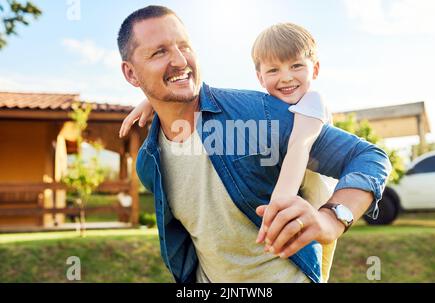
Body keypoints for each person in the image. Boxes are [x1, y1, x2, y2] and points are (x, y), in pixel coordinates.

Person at [117, 5, 392, 283]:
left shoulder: (263, 113)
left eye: (184, 46)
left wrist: (332, 219)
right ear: (131, 73)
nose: (180, 60)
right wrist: (157, 99)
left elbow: (369, 157)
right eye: (159, 52)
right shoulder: (149, 162)